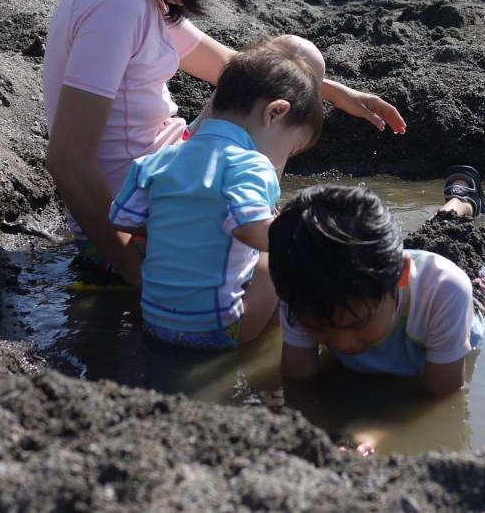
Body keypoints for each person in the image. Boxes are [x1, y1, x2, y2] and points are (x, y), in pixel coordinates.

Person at [43, 0, 406, 287]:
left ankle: (255, 218)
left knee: (296, 56)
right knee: (297, 272)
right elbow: (66, 159)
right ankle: (246, 243)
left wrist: (335, 92)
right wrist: (134, 269)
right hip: (137, 218)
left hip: (164, 175)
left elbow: (236, 68)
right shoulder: (116, 2)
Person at [269, 170, 485, 396]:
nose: (343, 344)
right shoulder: (302, 283)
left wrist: (378, 434)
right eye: (321, 329)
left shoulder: (446, 292)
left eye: (358, 324)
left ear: (399, 274)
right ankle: (463, 199)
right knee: (431, 236)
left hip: (481, 295)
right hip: (398, 276)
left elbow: (442, 397)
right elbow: (298, 384)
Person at [108, 40, 325, 350]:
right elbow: (249, 229)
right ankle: (264, 350)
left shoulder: (159, 159)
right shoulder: (252, 166)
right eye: (288, 149)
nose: (279, 161)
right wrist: (309, 234)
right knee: (281, 253)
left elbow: (122, 220)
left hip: (155, 323)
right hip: (218, 331)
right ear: (275, 113)